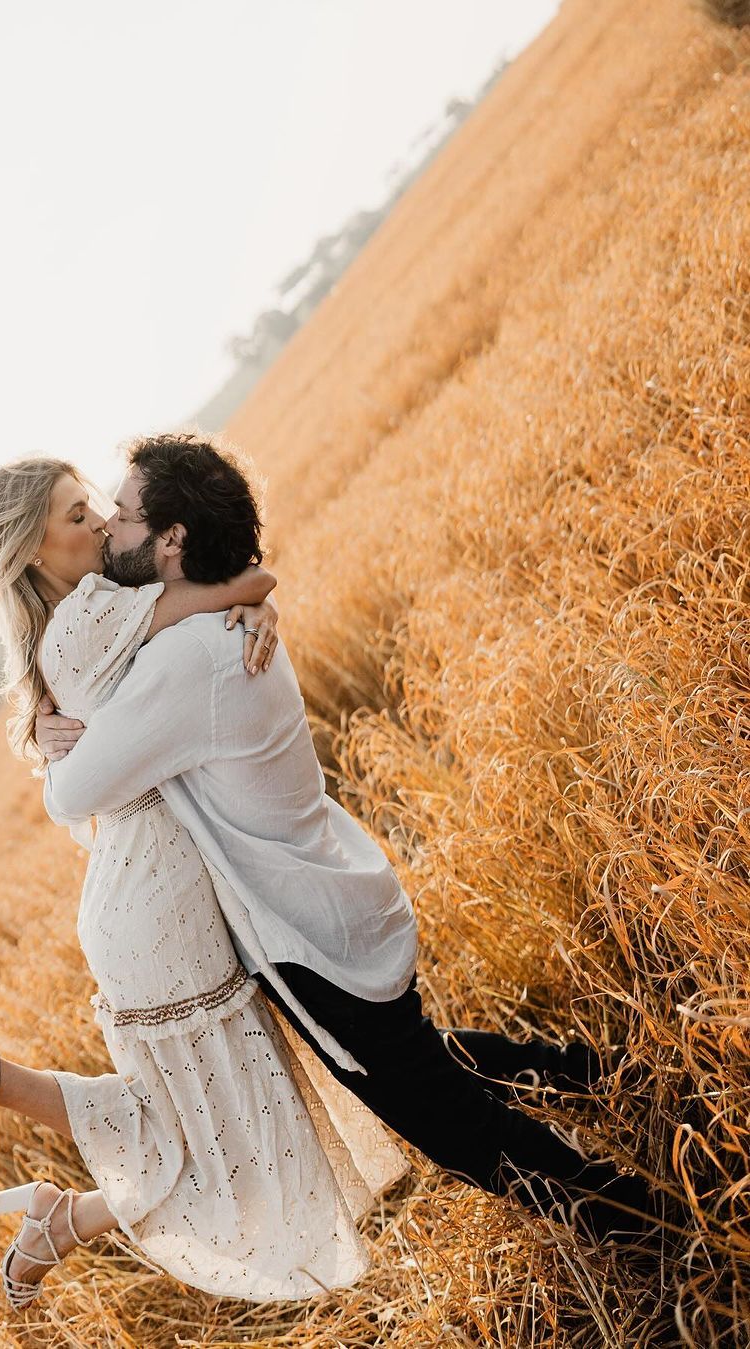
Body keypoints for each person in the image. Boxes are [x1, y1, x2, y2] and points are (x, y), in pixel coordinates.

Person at [36, 431, 658, 1251]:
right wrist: (253, 591)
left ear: (173, 541)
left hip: (310, 941)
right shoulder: (216, 624)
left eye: (123, 514)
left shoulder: (190, 659)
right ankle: (622, 1083)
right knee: (430, 1066)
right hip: (339, 898)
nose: (111, 527)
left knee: (463, 1133)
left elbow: (73, 794)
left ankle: (660, 1225)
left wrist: (54, 745)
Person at [0, 454, 413, 1311]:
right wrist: (252, 598)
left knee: (195, 1117)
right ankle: (30, 1152)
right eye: (74, 513)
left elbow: (214, 602)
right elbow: (240, 581)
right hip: (160, 897)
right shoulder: (93, 615)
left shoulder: (70, 630)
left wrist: (248, 602)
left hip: (137, 896)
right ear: (33, 548)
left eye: (92, 507)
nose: (94, 523)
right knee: (225, 1128)